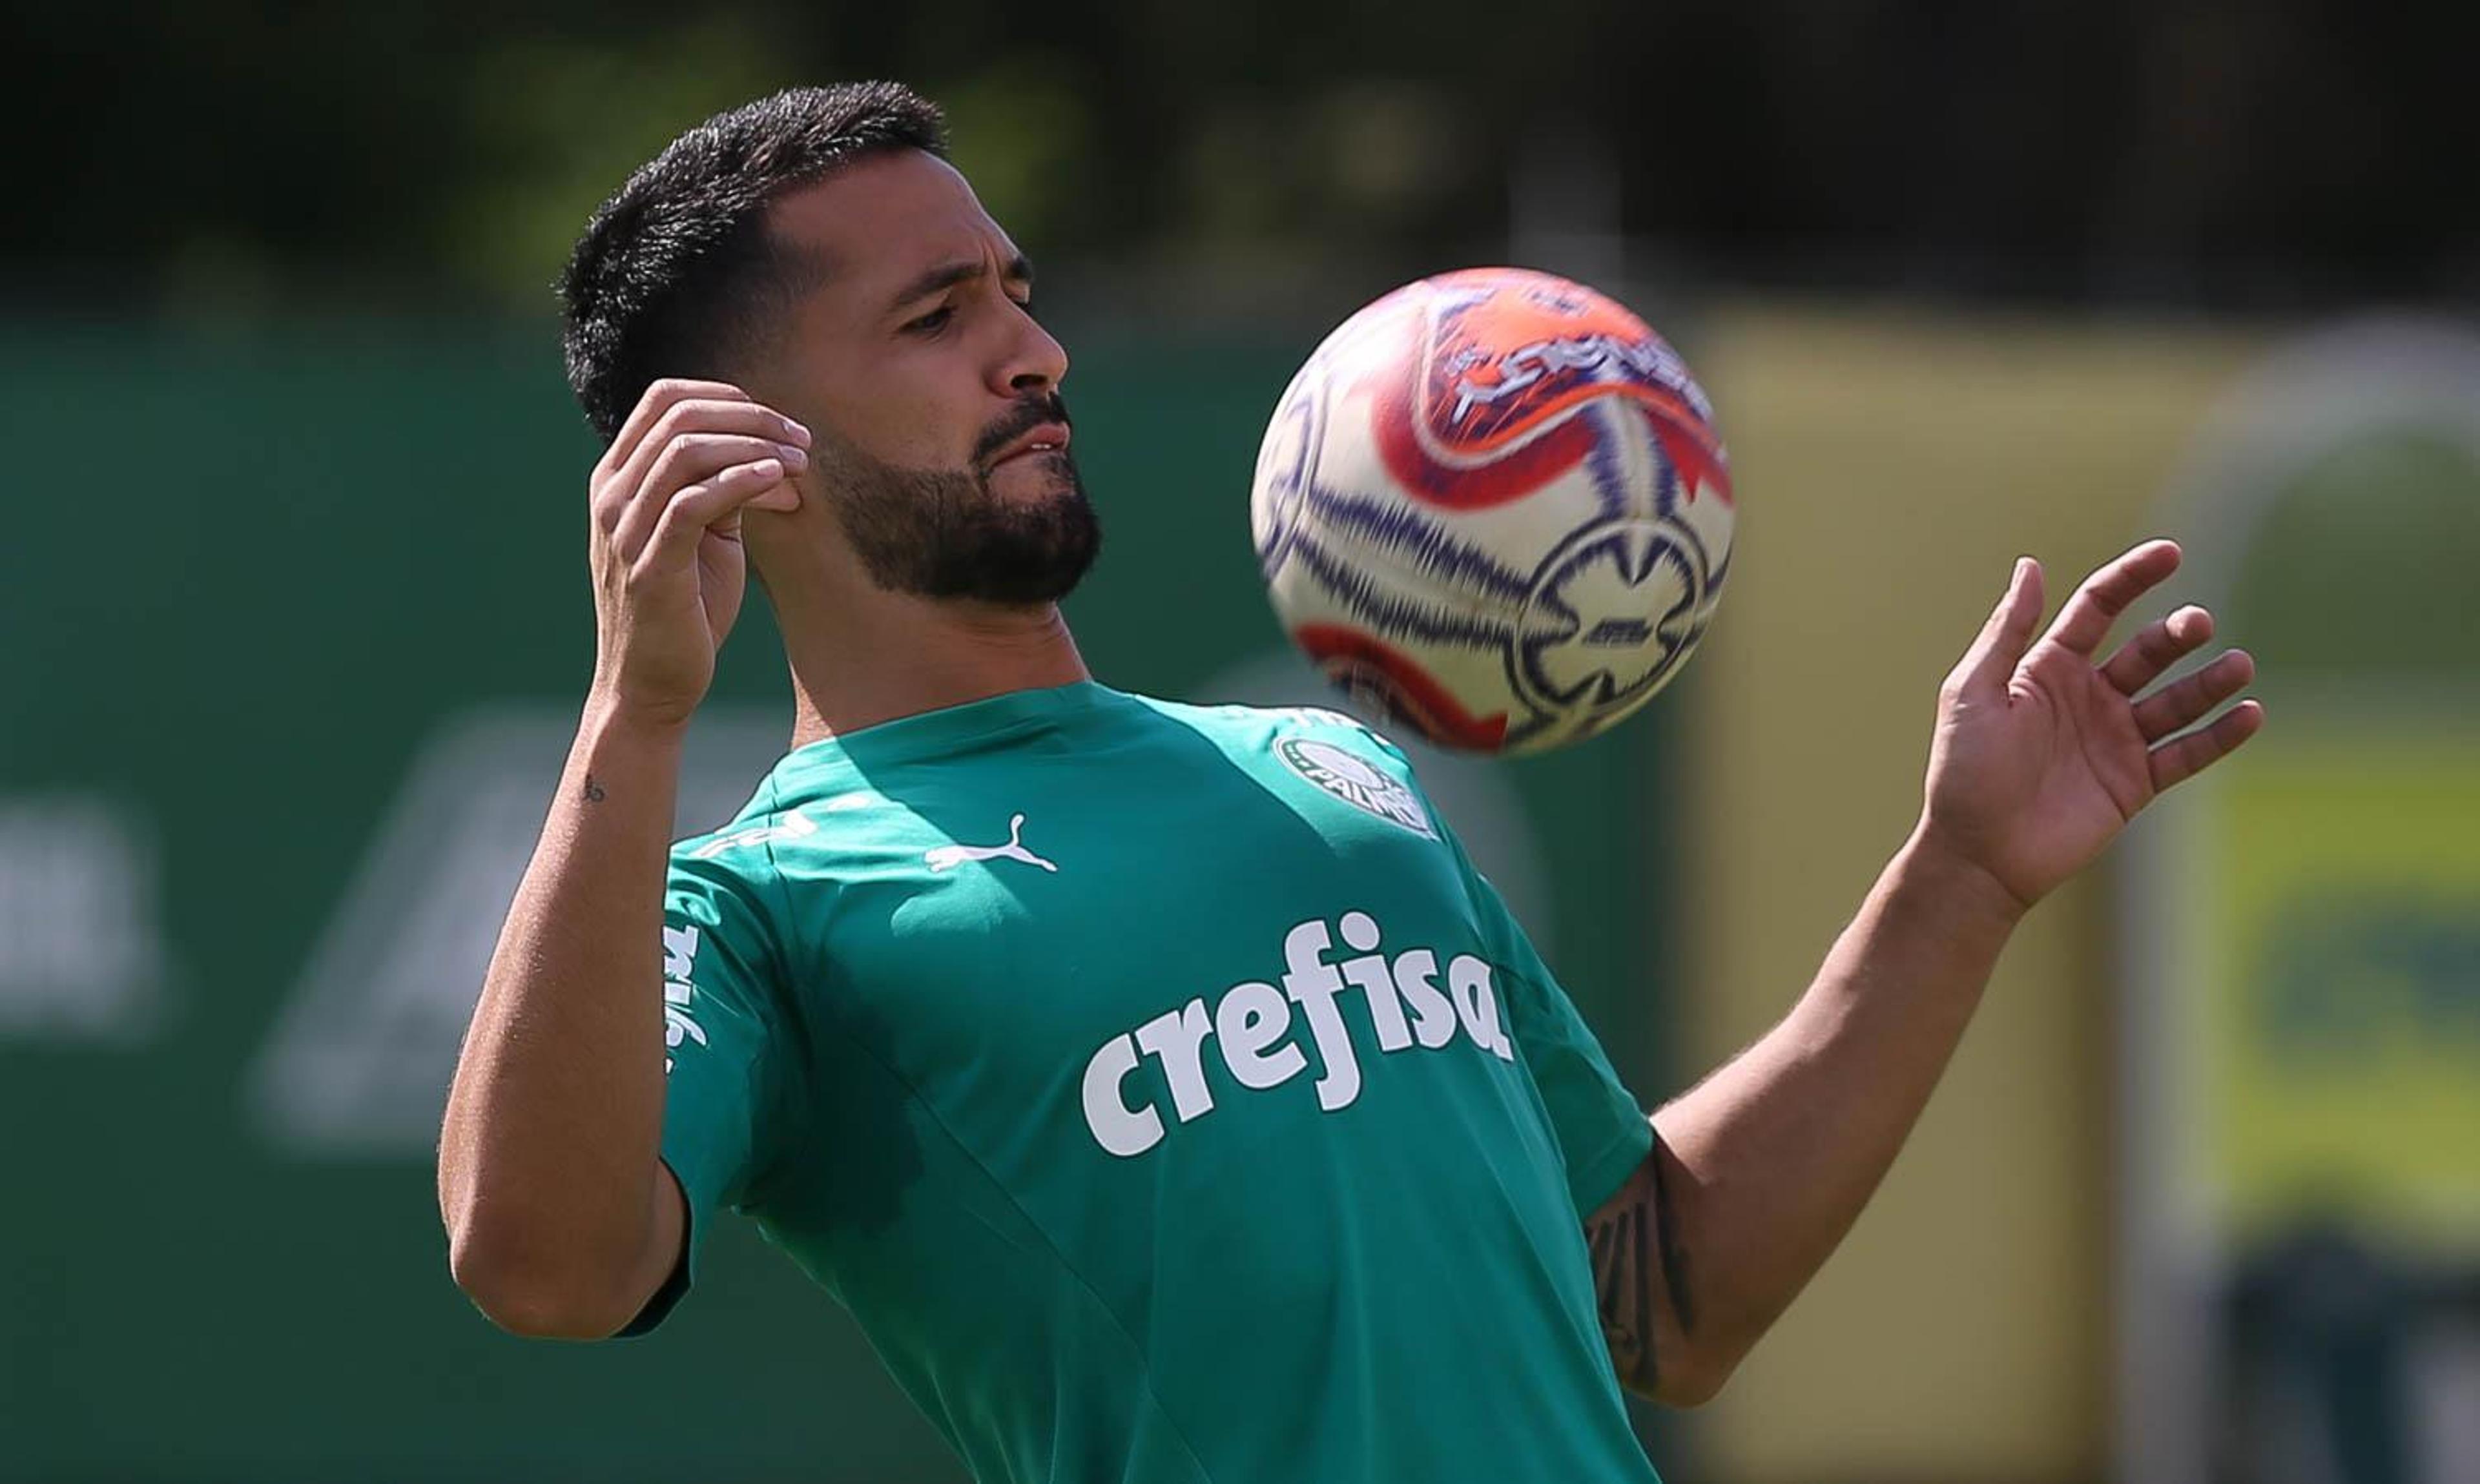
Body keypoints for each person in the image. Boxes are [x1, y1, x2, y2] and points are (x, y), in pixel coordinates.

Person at [435, 81, 2263, 1484]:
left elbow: (1664, 1290)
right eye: (936, 317)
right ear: (736, 448)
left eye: (1019, 290)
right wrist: (637, 716)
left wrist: (1959, 876)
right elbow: (545, 1260)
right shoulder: (761, 907)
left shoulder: (1328, 764)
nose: (1035, 349)